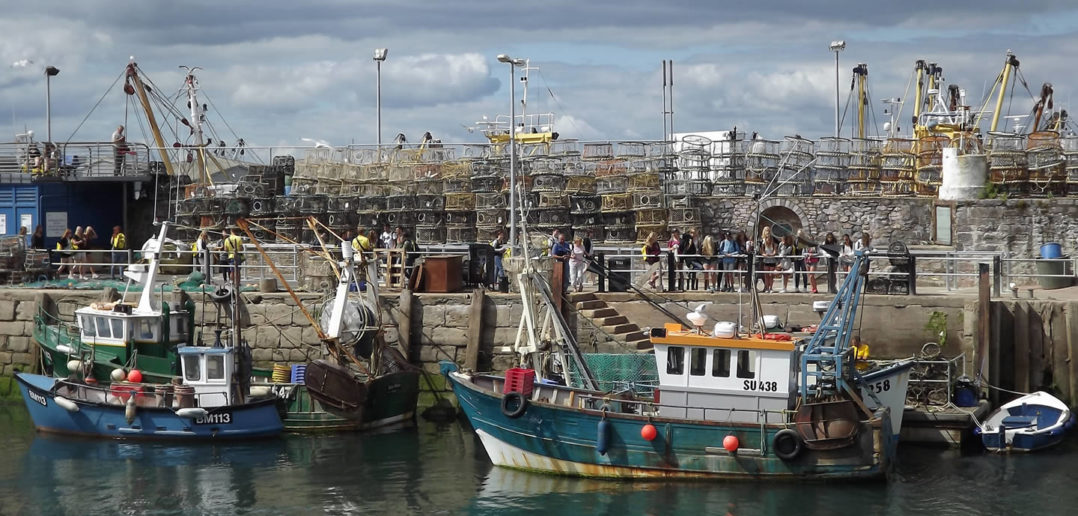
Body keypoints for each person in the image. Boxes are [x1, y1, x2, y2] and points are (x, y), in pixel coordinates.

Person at [759, 226, 777, 293]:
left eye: (768, 230)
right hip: (766, 260)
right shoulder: (762, 241)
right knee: (766, 275)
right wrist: (764, 254)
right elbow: (761, 250)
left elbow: (775, 249)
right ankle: (766, 287)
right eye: (766, 230)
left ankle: (771, 288)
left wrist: (773, 254)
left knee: (771, 275)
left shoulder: (773, 240)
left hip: (772, 259)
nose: (767, 232)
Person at [791, 229, 807, 293]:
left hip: (803, 259)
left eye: (801, 234)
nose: (799, 235)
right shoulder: (795, 241)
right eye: (798, 234)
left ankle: (805, 287)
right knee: (797, 273)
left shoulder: (805, 241)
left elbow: (805, 248)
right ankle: (796, 287)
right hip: (797, 259)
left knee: (804, 273)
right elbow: (794, 248)